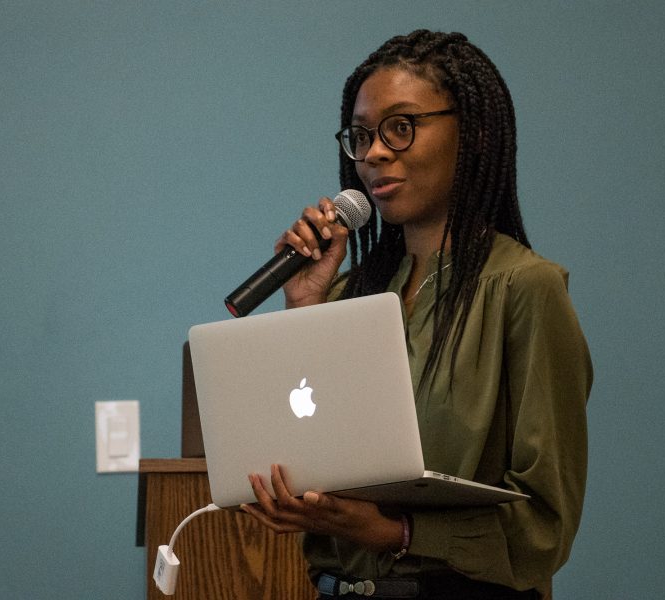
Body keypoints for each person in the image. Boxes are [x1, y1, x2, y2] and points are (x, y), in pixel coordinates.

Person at [240, 30, 592, 600]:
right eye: (361, 136)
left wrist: (397, 533)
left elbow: (546, 528)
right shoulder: (347, 295)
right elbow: (305, 452)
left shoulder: (526, 288)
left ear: (472, 134)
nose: (374, 152)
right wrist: (304, 307)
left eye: (401, 127)